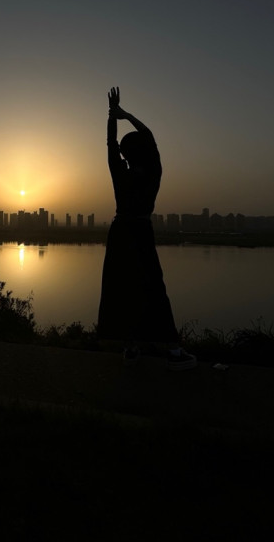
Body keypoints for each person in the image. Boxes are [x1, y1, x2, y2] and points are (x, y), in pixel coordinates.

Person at [98, 87, 196, 371]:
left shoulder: (120, 174)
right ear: (145, 152)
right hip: (140, 231)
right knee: (153, 288)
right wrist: (124, 114)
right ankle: (173, 351)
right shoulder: (153, 174)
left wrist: (112, 116)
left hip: (120, 232)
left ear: (125, 154)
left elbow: (110, 144)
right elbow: (149, 136)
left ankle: (131, 347)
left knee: (122, 287)